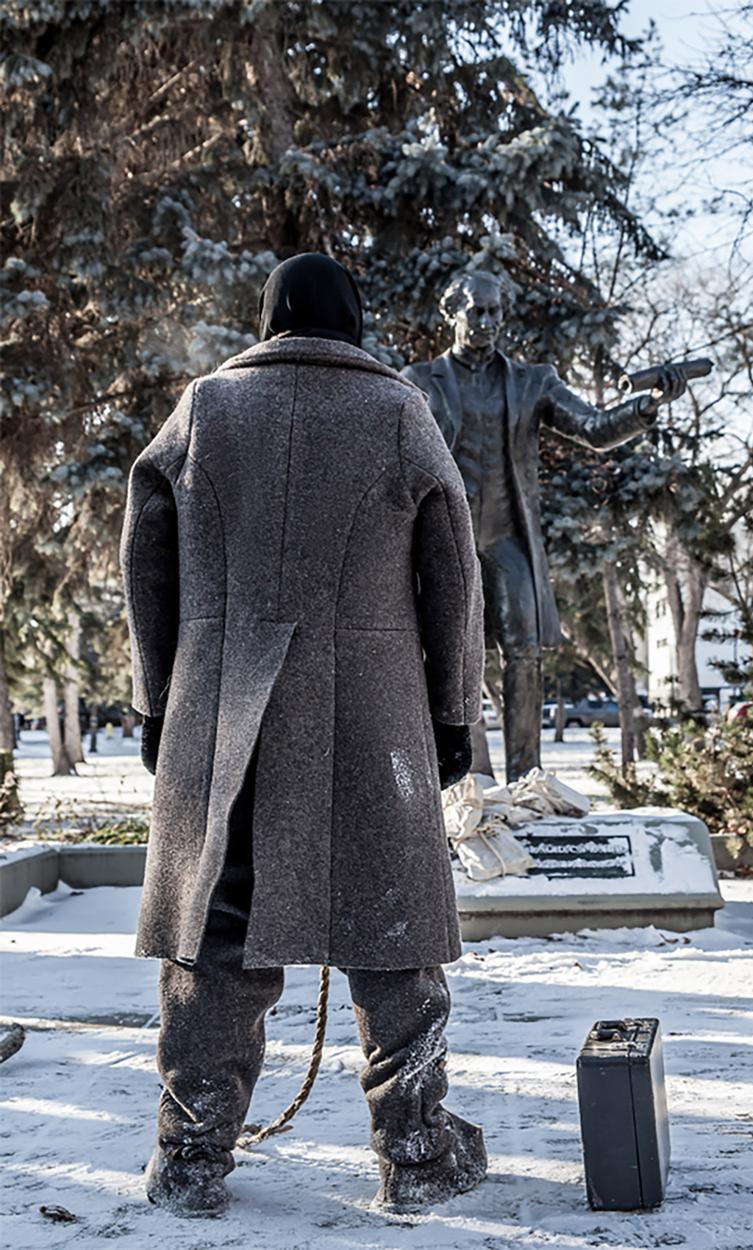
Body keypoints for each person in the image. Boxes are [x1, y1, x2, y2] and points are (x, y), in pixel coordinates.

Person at [120, 253, 487, 1218]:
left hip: (222, 711)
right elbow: (452, 566)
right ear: (354, 323)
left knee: (217, 936)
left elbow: (145, 551)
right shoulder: (399, 411)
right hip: (371, 710)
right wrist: (451, 710)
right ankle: (416, 1155)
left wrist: (163, 699)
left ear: (270, 320)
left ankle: (190, 1159)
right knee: (394, 933)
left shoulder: (202, 409)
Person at [403, 270, 687, 782]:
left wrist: (647, 407)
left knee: (525, 653)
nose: (487, 322)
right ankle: (439, 783)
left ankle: (526, 780)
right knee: (440, 655)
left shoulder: (534, 381)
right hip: (446, 538)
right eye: (476, 311)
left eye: (494, 311)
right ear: (452, 314)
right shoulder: (421, 382)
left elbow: (595, 429)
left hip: (509, 537)